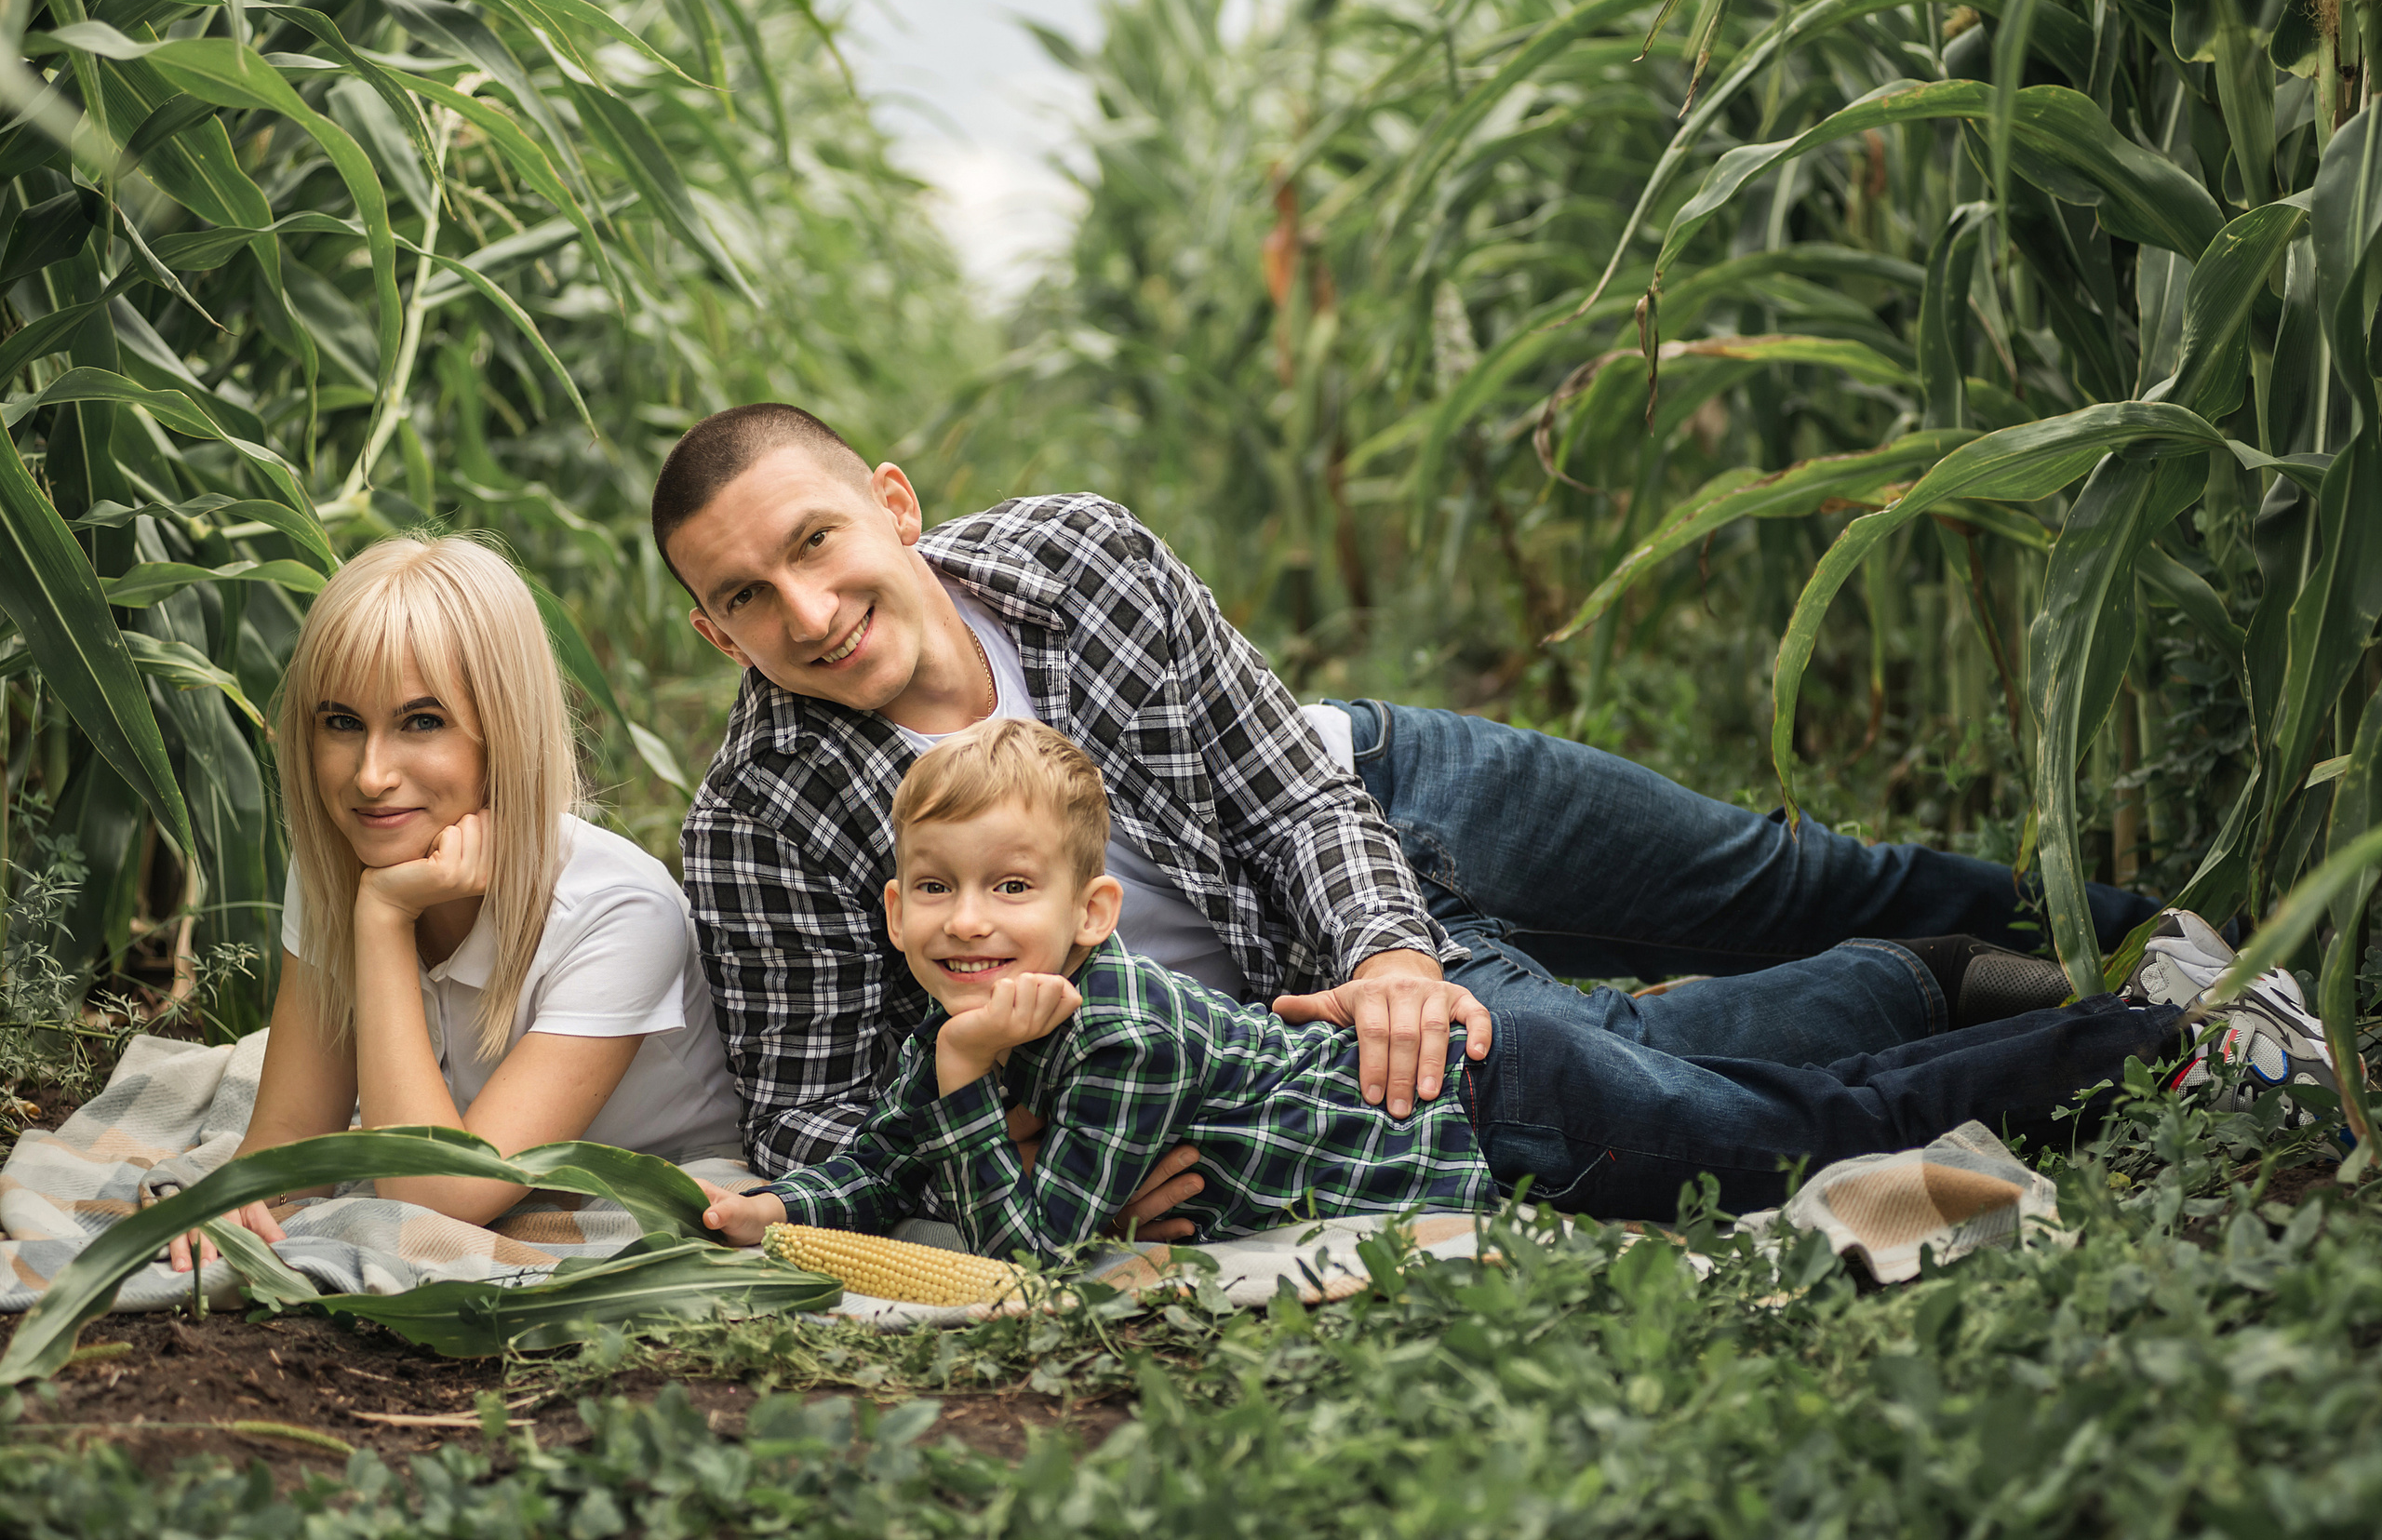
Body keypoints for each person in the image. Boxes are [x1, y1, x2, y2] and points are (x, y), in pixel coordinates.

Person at [654, 403, 2160, 1224]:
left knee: (1780, 870)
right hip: (1266, 1009)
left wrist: (1392, 945)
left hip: (1369, 798)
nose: (808, 605)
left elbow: (1289, 787)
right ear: (719, 632)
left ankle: (2154, 926)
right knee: (1615, 1064)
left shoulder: (1080, 554)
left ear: (895, 506)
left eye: (817, 540)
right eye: (745, 594)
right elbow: (807, 1106)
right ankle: (1948, 984)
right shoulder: (758, 819)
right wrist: (1048, 1144)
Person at [698, 720, 2341, 1254]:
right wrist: (799, 1198)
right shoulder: (978, 1000)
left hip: (1504, 1118)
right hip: (1492, 1095)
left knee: (1792, 1134)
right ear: (890, 901)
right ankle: (2014, 1005)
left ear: (1093, 908)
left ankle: (2146, 1039)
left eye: (1007, 891)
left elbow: (1036, 1244)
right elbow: (902, 1147)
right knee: (1768, 1099)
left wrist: (975, 1090)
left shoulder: (1103, 1016)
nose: (966, 923)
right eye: (932, 892)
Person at [167, 535, 741, 1271]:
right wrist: (232, 1197)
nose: (371, 776)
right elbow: (291, 1142)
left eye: (421, 721)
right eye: (342, 722)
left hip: (642, 1179)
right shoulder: (345, 859)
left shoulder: (621, 911)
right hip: (463, 1156)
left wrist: (381, 919)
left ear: (501, 733)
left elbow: (435, 1194)